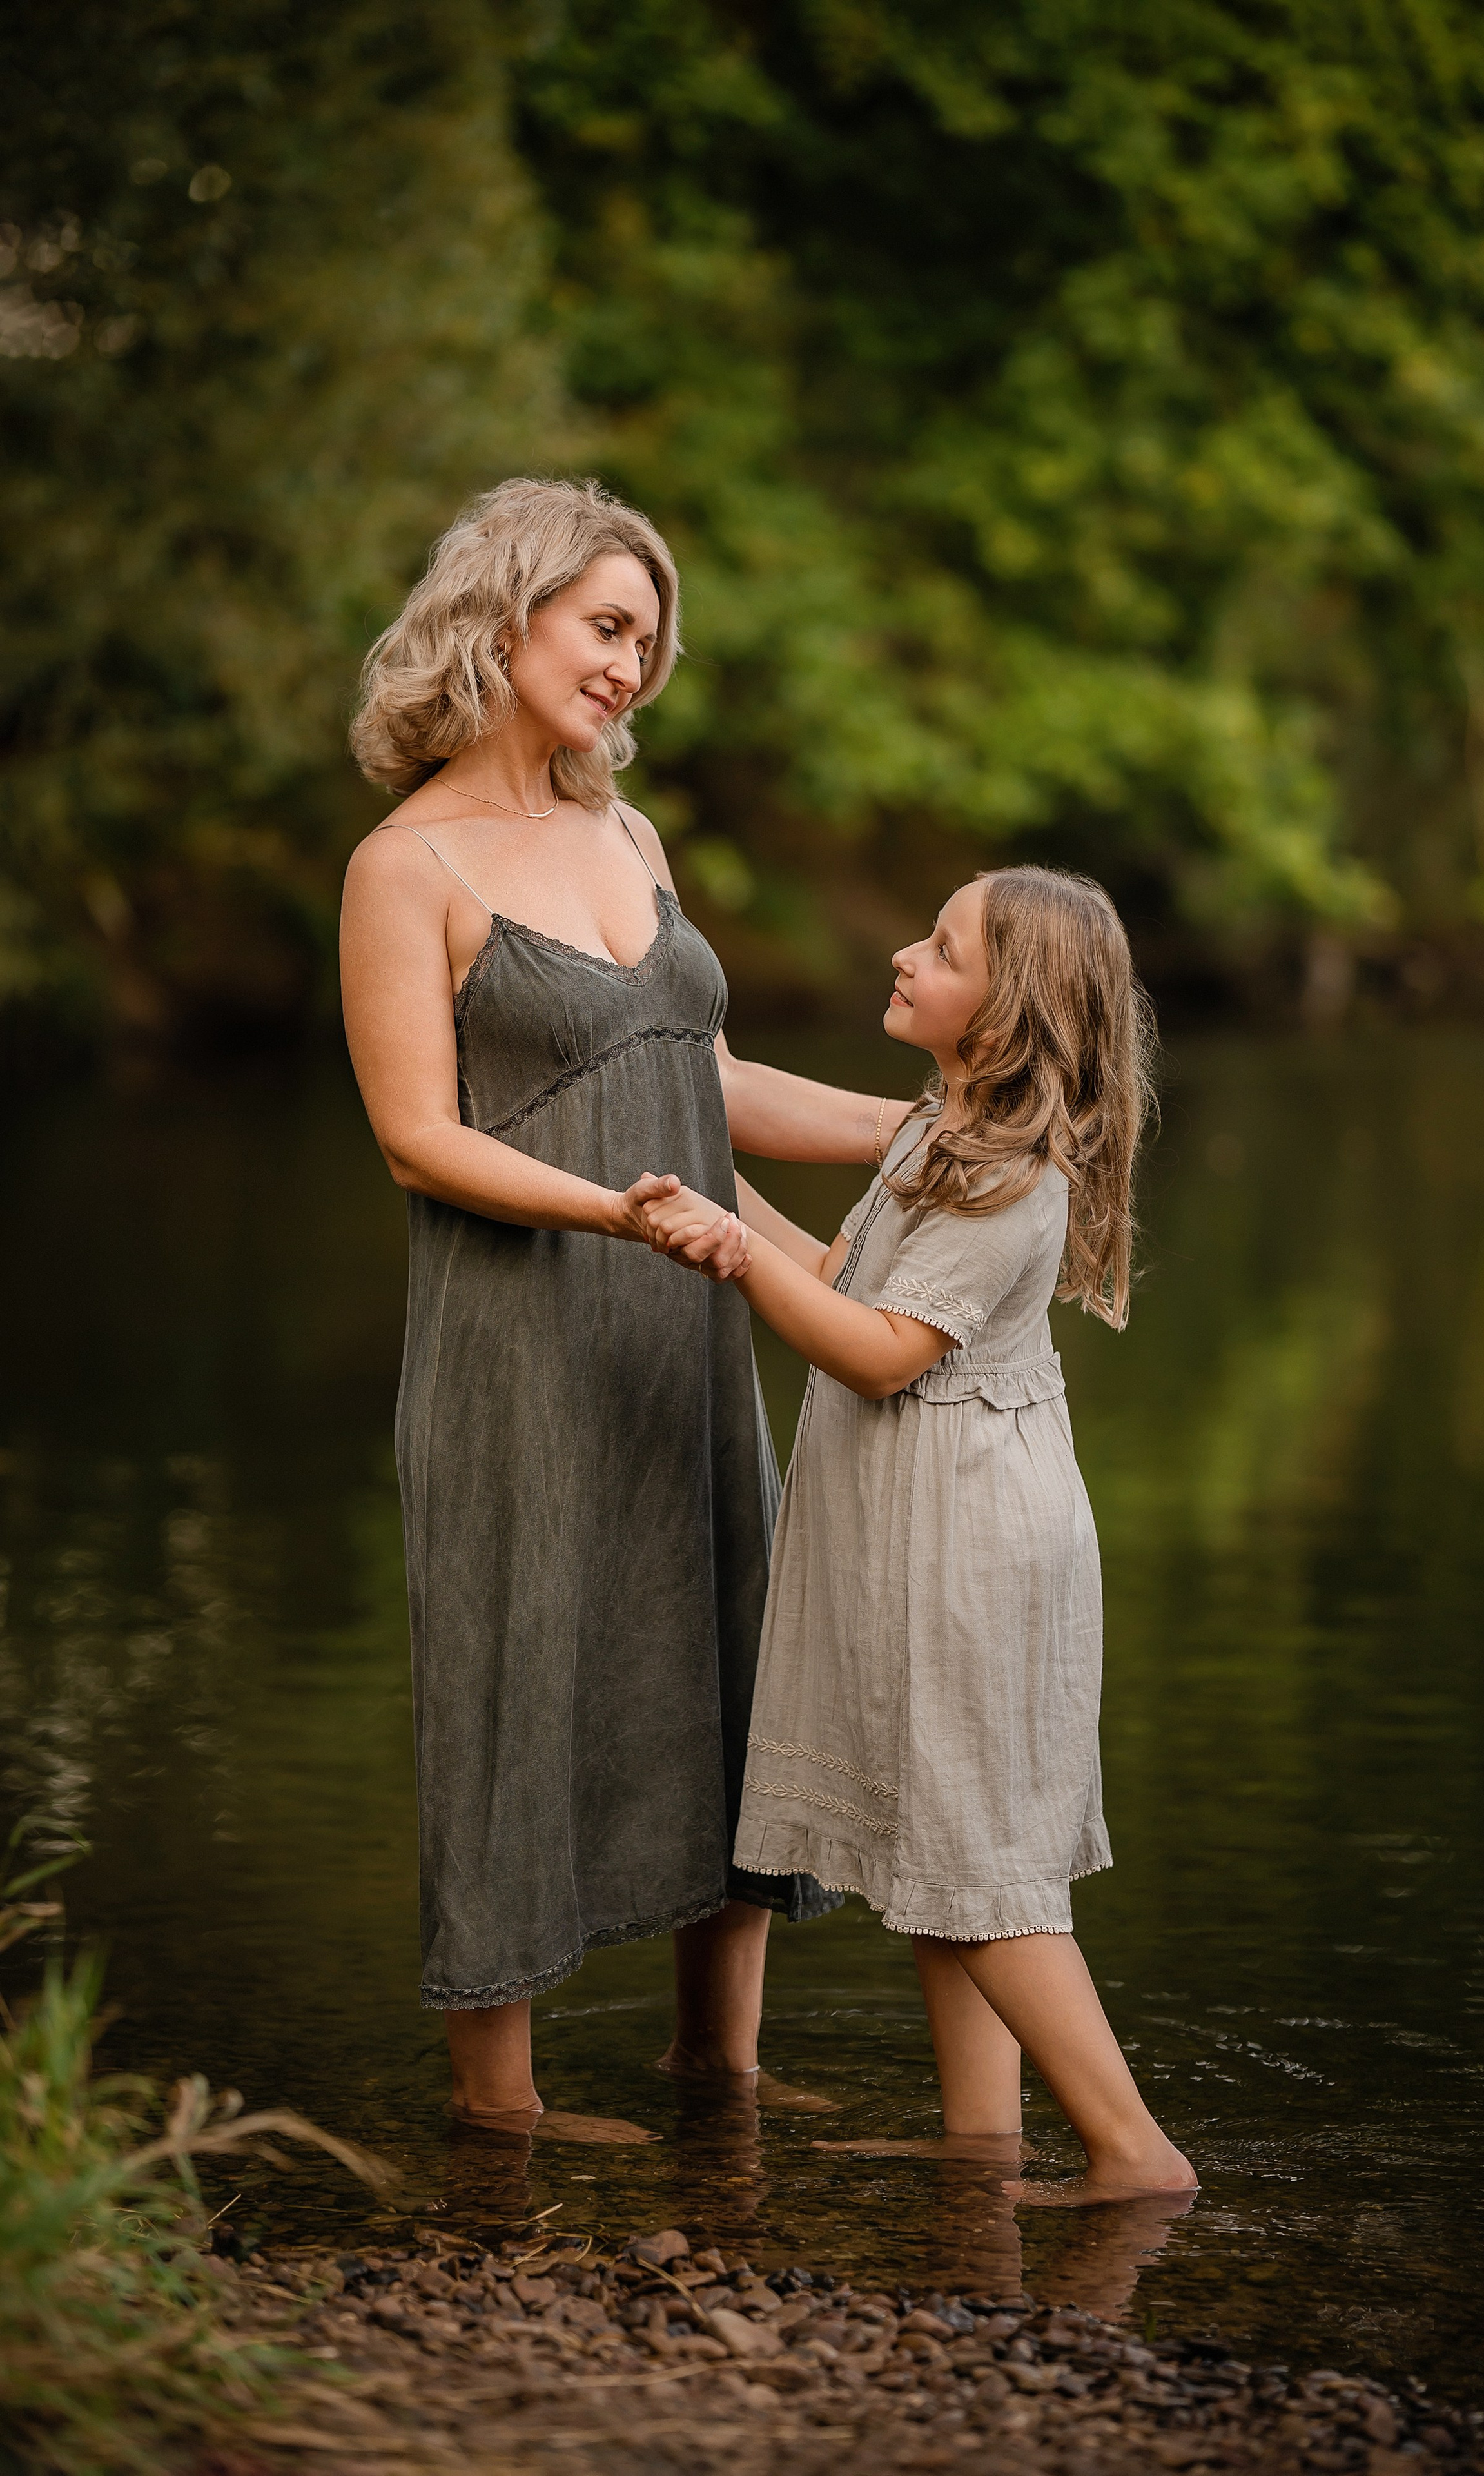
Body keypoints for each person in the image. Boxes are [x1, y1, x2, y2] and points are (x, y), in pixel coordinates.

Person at [338, 475, 912, 2138]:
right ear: (500, 618)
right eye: (606, 629)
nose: (631, 669)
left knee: (733, 1654)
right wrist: (620, 1213)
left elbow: (699, 1081)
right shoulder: (406, 865)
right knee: (519, 1674)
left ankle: (713, 2069)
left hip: (687, 1327)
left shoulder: (624, 832)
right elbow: (413, 1138)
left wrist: (920, 1128)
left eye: (648, 641)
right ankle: (498, 2107)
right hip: (516, 1347)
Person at [643, 865, 1196, 2202]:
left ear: (999, 1020)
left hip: (970, 1546)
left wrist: (731, 1251)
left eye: (938, 950)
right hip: (921, 1525)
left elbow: (882, 1353)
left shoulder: (1010, 1179)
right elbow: (841, 1278)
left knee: (986, 1874)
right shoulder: (935, 1131)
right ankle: (982, 2146)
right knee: (947, 1855)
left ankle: (1132, 2156)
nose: (900, 954)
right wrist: (715, 1197)